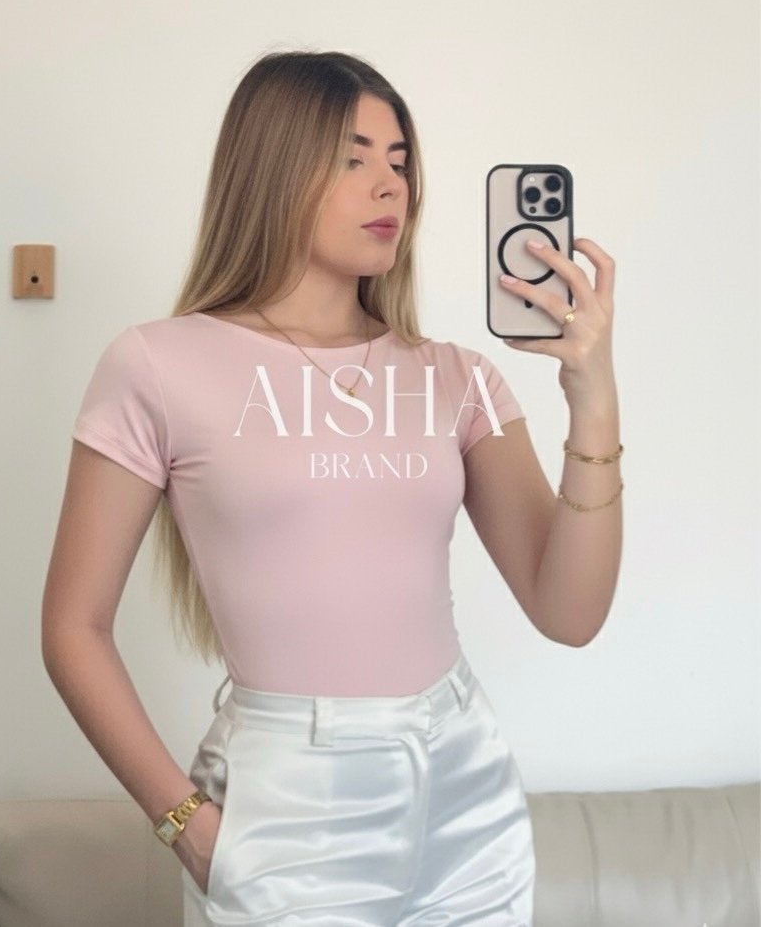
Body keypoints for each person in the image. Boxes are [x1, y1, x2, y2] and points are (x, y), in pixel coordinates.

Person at [42, 50, 622, 926]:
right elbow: (72, 628)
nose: (389, 186)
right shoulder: (157, 365)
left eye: (400, 162)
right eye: (353, 159)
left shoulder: (454, 376)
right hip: (287, 806)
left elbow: (569, 612)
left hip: (465, 798)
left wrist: (593, 395)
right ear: (272, 168)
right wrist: (188, 828)